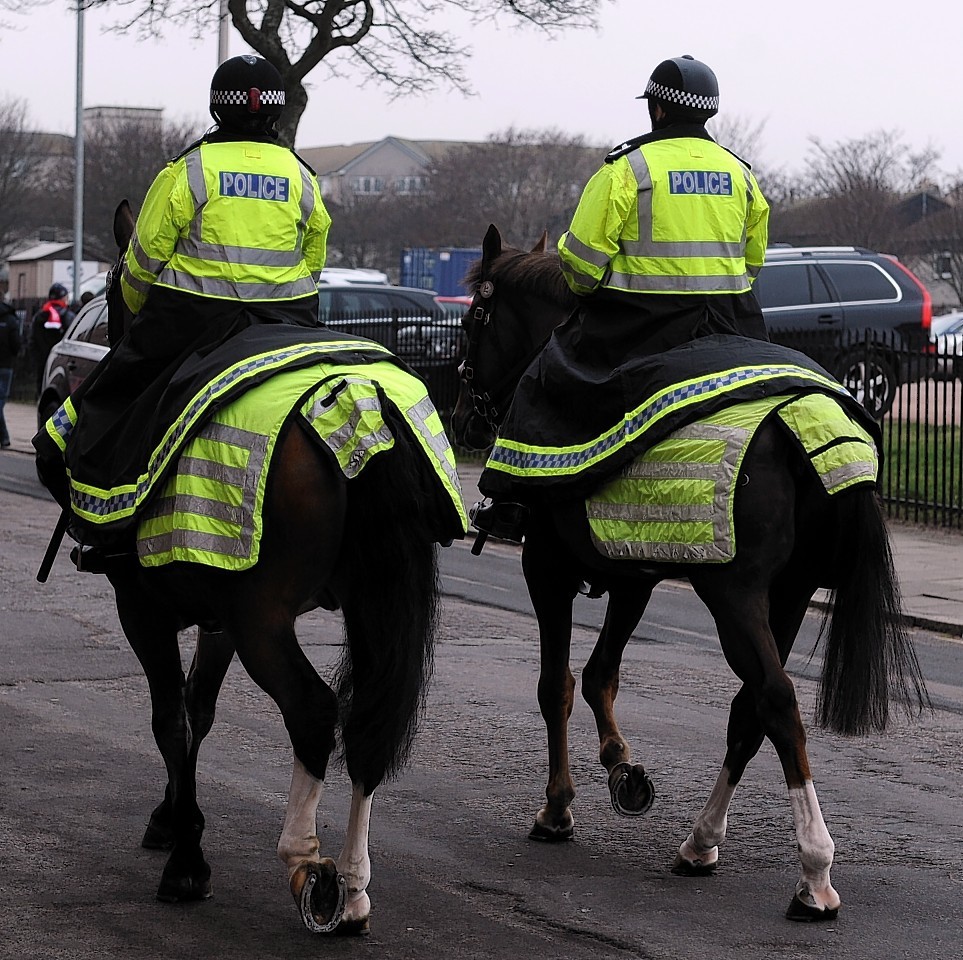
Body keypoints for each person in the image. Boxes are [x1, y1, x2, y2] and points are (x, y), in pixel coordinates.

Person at [35, 53, 331, 568]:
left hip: (192, 326)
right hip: (289, 324)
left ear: (218, 109)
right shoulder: (302, 177)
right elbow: (314, 257)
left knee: (89, 419)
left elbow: (143, 264)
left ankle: (109, 527)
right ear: (277, 115)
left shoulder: (188, 171)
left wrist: (132, 323)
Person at [471, 54, 771, 542]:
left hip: (639, 328)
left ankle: (510, 501)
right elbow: (752, 263)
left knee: (539, 382)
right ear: (708, 113)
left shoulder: (627, 169)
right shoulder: (741, 174)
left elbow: (583, 271)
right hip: (732, 324)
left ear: (657, 111)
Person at [31, 283, 74, 396]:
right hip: (61, 359)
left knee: (42, 387)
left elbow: (33, 339)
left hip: (43, 358)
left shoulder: (40, 315)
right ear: (63, 297)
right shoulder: (67, 315)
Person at [0, 295, 22, 449]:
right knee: (1, 400)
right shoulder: (11, 319)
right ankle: (4, 437)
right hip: (6, 365)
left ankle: (4, 437)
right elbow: (17, 344)